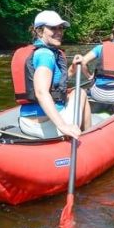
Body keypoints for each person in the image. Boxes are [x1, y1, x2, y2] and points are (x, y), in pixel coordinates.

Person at [11, 10, 91, 139]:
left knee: (72, 93)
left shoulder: (42, 52)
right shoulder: (46, 55)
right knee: (80, 93)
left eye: (61, 28)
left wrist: (73, 68)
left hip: (27, 123)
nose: (59, 32)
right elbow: (41, 92)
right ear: (39, 31)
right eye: (53, 28)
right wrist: (63, 126)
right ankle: (90, 137)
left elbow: (55, 82)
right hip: (44, 125)